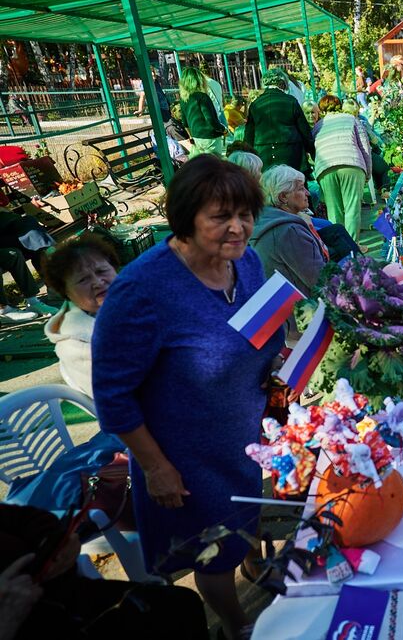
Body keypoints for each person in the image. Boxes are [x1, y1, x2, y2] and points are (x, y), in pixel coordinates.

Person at [92, 155, 283, 640]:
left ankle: (257, 568)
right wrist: (157, 467)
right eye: (221, 217)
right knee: (213, 549)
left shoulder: (249, 261)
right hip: (186, 457)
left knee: (250, 515)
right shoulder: (142, 291)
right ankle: (236, 626)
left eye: (245, 214)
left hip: (244, 432)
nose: (238, 228)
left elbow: (259, 331)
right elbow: (113, 394)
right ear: (185, 218)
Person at [0, 503, 210, 639]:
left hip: (68, 593)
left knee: (180, 605)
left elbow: (27, 517)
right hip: (23, 625)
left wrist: (54, 542)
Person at [42, 235, 119, 397]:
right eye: (83, 279)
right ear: (66, 292)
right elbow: (119, 399)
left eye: (101, 271)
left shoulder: (131, 302)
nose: (98, 282)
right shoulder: (77, 347)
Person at [252, 165, 329, 303]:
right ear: (283, 197)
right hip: (304, 313)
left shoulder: (265, 220)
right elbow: (322, 282)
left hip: (282, 307)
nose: (308, 193)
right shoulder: (289, 232)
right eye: (301, 188)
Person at [313, 94, 372, 242]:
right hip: (351, 164)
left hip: (325, 168)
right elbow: (365, 146)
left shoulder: (318, 125)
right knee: (352, 209)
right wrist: (368, 172)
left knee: (334, 211)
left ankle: (339, 247)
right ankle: (352, 249)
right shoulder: (352, 119)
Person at [244, 68, 315, 177]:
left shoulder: (256, 104)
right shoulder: (290, 101)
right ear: (283, 84)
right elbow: (304, 131)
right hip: (291, 152)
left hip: (263, 152)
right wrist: (311, 150)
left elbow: (249, 134)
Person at [179, 66, 226, 157]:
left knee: (205, 165)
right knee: (216, 165)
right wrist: (223, 129)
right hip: (210, 137)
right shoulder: (202, 97)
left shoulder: (183, 99)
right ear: (199, 80)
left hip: (197, 137)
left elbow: (185, 123)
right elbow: (211, 120)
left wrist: (191, 136)